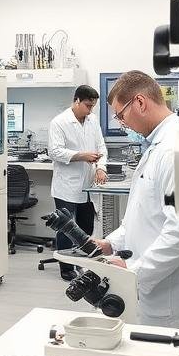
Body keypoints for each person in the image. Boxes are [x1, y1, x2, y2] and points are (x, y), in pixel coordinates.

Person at [93, 70, 179, 328]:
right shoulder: (156, 147)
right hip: (146, 286)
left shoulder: (172, 151)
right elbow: (142, 216)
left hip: (163, 293)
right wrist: (109, 244)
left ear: (140, 103)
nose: (123, 125)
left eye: (121, 116)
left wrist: (135, 271)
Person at [48, 85, 107, 281]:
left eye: (93, 106)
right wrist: (81, 156)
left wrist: (101, 167)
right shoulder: (59, 122)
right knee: (67, 228)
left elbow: (101, 148)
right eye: (88, 106)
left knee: (85, 226)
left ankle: (80, 262)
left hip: (88, 184)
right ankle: (66, 268)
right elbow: (54, 152)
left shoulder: (93, 120)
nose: (90, 110)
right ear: (76, 101)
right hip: (67, 186)